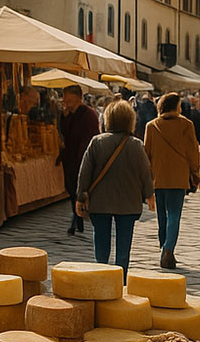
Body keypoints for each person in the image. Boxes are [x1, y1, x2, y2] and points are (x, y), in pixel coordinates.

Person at [75, 99, 155, 278]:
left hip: (100, 202)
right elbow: (145, 172)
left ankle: (102, 274)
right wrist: (149, 194)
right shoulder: (136, 145)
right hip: (128, 203)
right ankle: (121, 279)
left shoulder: (97, 142)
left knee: (101, 242)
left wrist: (80, 197)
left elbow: (84, 172)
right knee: (123, 247)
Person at [144, 92, 200, 269]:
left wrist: (147, 179)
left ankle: (164, 249)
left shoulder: (151, 126)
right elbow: (193, 152)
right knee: (174, 215)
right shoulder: (186, 125)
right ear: (176, 107)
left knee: (162, 216)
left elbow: (146, 154)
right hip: (178, 176)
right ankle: (168, 250)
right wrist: (195, 174)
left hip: (158, 177)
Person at [58, 84, 99, 236]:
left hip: (83, 159)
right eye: (65, 98)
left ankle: (76, 221)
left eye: (68, 99)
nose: (65, 102)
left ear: (78, 98)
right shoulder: (68, 115)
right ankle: (78, 219)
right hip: (70, 159)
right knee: (72, 190)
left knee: (80, 190)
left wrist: (84, 158)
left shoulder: (88, 115)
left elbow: (89, 138)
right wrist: (64, 117)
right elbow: (65, 133)